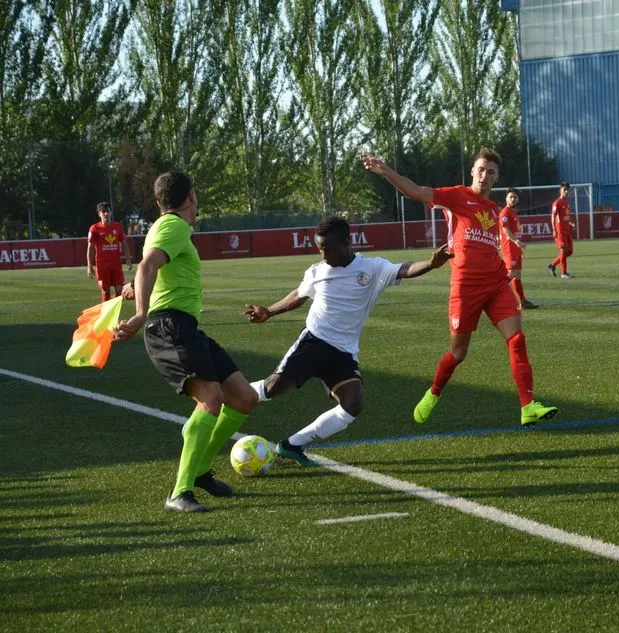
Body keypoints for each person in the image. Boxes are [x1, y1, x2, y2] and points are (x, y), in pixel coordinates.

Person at [362, 148, 559, 427]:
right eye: (481, 169)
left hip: (496, 282)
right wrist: (387, 172)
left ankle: (528, 406)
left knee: (516, 339)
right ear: (472, 172)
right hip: (465, 287)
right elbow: (415, 191)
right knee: (458, 353)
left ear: (496, 178)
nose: (485, 175)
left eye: (491, 172)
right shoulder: (455, 196)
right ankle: (434, 392)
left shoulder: (493, 208)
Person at [243, 215, 454, 465]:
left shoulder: (372, 268)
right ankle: (229, 396)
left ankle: (291, 445)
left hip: (343, 352)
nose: (323, 255)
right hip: (314, 342)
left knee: (352, 404)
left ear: (347, 242)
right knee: (274, 388)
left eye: (328, 249)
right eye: (320, 249)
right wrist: (269, 311)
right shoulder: (318, 271)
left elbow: (404, 269)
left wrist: (431, 263)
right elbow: (298, 296)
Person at [115, 172, 258, 513]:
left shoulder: (167, 229)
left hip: (185, 326)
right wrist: (139, 312)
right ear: (190, 196)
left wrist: (137, 289)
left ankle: (200, 471)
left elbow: (154, 268)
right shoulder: (175, 226)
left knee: (244, 398)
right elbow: (148, 264)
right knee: (210, 398)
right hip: (169, 327)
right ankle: (181, 491)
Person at [499, 187, 539, 310]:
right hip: (509, 248)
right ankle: (495, 295)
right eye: (510, 197)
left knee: (517, 276)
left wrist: (519, 245)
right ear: (506, 198)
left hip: (515, 248)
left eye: (515, 197)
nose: (513, 199)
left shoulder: (513, 212)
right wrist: (516, 241)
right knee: (511, 274)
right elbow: (505, 229)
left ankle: (522, 301)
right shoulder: (505, 212)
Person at [87, 202, 132, 302]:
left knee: (120, 290)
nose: (106, 214)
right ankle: (106, 315)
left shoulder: (117, 227)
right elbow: (90, 247)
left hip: (116, 265)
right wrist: (89, 266)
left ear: (111, 212)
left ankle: (111, 309)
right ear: (99, 214)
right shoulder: (94, 228)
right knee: (106, 291)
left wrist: (128, 258)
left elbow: (124, 243)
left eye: (108, 211)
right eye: (103, 212)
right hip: (102, 266)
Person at [547, 182, 575, 278]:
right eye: (564, 190)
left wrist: (571, 223)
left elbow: (566, 216)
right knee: (563, 251)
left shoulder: (566, 203)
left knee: (570, 251)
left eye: (568, 190)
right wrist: (554, 230)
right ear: (560, 191)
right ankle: (564, 273)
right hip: (560, 232)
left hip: (567, 231)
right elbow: (553, 217)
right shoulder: (557, 203)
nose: (566, 192)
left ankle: (552, 265)